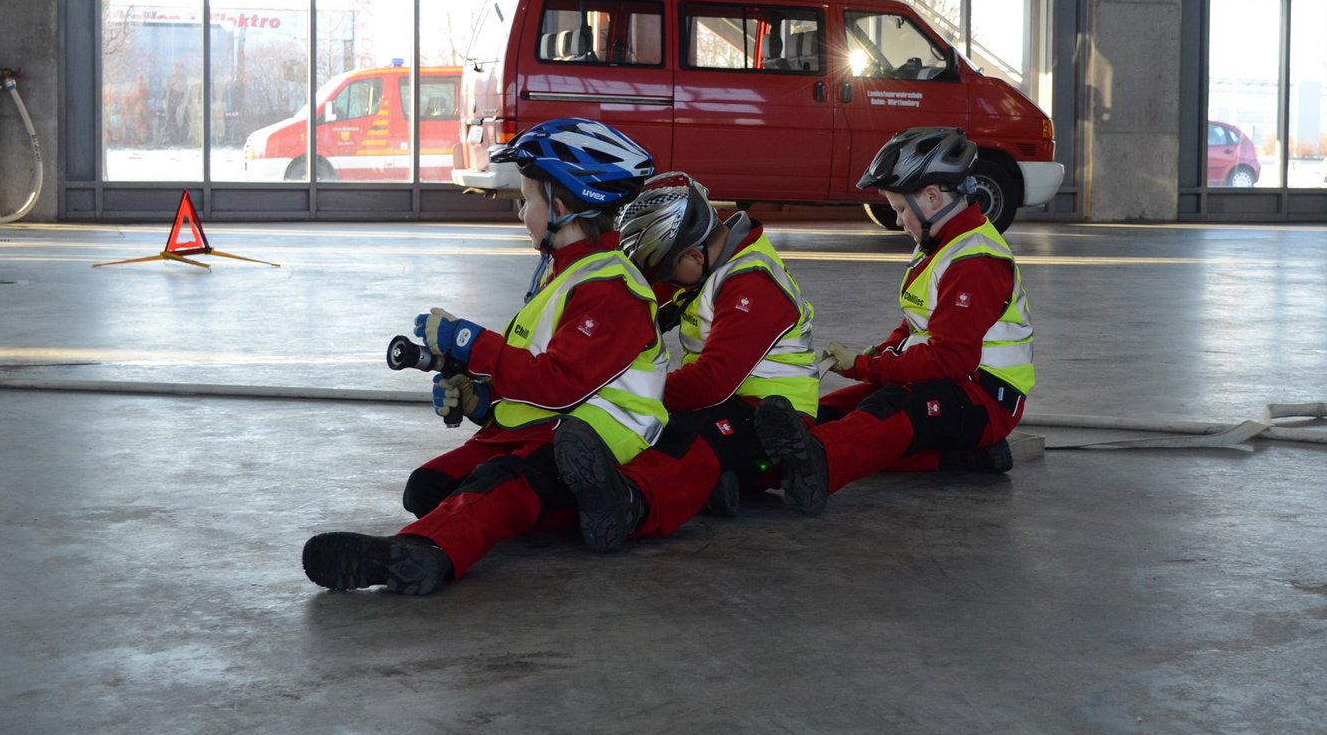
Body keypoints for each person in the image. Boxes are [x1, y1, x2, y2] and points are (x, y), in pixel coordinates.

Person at [301, 117, 667, 595]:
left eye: (526, 200)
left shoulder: (612, 288)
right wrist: (479, 402)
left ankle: (421, 554)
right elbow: (534, 374)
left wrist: (470, 344)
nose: (521, 213)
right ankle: (558, 509)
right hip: (544, 426)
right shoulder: (568, 273)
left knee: (501, 483)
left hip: (590, 440)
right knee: (426, 487)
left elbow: (556, 383)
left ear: (560, 207)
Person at [753, 127, 1036, 515]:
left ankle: (817, 465)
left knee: (893, 406)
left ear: (933, 197)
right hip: (956, 387)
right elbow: (917, 326)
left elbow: (949, 361)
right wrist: (879, 355)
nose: (900, 221)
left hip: (984, 398)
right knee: (839, 409)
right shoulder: (942, 244)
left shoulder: (976, 261)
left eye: (901, 209)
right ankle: (753, 468)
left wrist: (868, 367)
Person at [551, 172, 820, 551]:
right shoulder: (705, 265)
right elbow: (641, 300)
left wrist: (641, 391)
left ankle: (631, 505)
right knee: (661, 427)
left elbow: (712, 381)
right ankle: (719, 484)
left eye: (665, 271)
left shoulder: (752, 281)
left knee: (693, 438)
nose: (666, 282)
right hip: (733, 400)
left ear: (694, 255)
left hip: (773, 415)